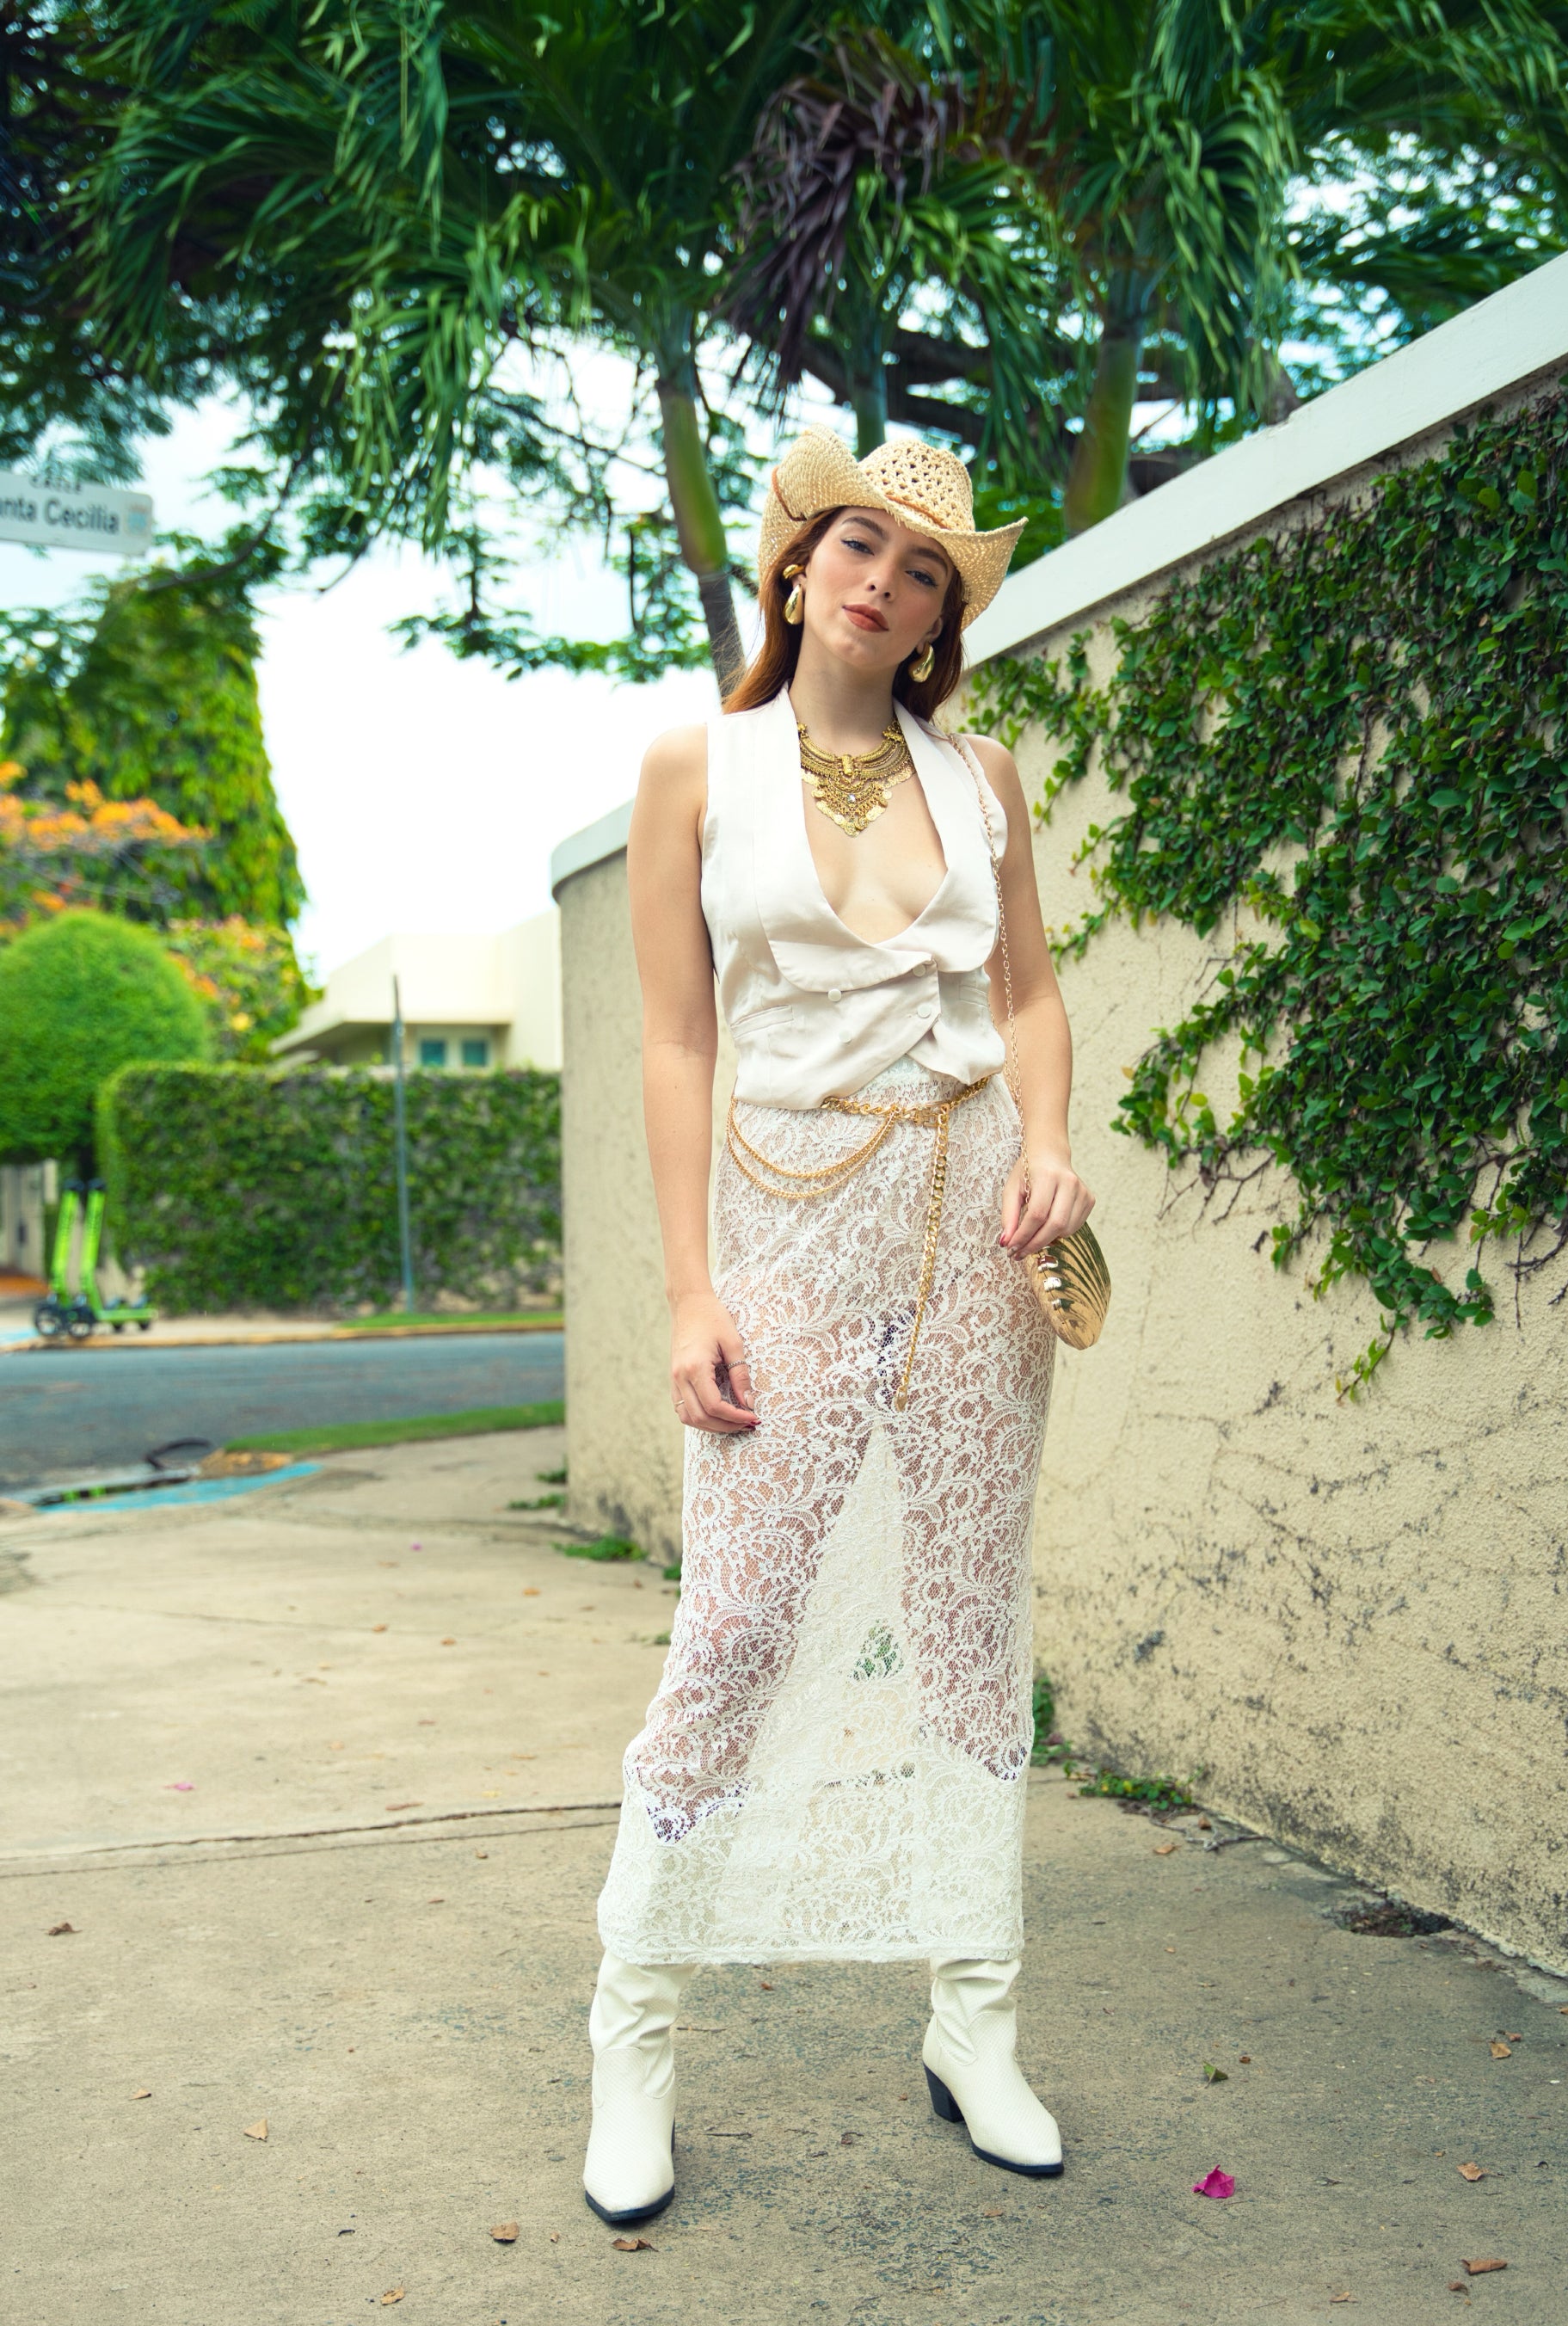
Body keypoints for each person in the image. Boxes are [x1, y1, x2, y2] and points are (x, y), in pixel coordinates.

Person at [583, 428, 1094, 2225]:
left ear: (945, 617)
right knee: (736, 1617)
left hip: (973, 1233)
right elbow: (673, 1041)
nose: (884, 579)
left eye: (925, 568)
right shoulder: (692, 768)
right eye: (859, 543)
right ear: (800, 561)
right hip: (787, 1230)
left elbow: (1026, 993)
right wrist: (689, 1294)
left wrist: (1048, 1142)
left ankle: (976, 2019)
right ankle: (632, 2032)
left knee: (970, 1619)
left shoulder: (987, 781)